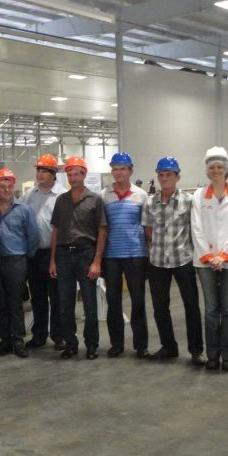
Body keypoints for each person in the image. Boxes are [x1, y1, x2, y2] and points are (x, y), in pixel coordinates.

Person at [142, 157, 205, 366]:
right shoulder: (150, 202)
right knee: (160, 307)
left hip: (183, 260)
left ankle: (196, 350)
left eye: (169, 174)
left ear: (177, 177)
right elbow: (148, 232)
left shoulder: (189, 201)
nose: (164, 178)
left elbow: (195, 229)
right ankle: (168, 347)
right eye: (161, 175)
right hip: (157, 261)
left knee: (191, 306)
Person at [191, 147, 228, 372]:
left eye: (219, 167)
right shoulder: (198, 196)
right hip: (204, 261)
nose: (216, 171)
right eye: (212, 167)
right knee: (211, 309)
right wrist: (208, 255)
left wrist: (224, 255)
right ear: (207, 171)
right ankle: (212, 355)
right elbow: (196, 227)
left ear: (226, 170)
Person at [49, 156, 107, 359]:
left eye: (77, 174)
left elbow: (102, 231)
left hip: (86, 254)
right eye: (70, 174)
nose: (73, 178)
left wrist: (97, 261)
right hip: (64, 256)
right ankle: (70, 344)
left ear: (84, 174)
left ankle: (91, 345)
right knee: (65, 304)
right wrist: (53, 260)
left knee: (90, 304)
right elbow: (55, 231)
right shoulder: (61, 200)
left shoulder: (95, 200)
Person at [101, 152, 150, 359]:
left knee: (138, 301)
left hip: (136, 255)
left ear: (130, 171)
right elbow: (102, 227)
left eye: (122, 169)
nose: (118, 172)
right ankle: (117, 344)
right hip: (111, 256)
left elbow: (147, 227)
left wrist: (149, 253)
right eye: (115, 169)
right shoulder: (104, 196)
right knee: (113, 301)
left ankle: (141, 345)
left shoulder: (141, 195)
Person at [0, 168, 39, 359]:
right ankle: (5, 340)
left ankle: (18, 339)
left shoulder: (24, 210)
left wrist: (25, 258)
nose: (6, 190)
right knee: (1, 303)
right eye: (2, 186)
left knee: (16, 303)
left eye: (9, 186)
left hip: (16, 262)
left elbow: (33, 237)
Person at [21, 154, 67, 351]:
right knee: (38, 297)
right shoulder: (28, 196)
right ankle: (39, 335)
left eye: (44, 171)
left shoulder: (62, 196)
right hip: (34, 254)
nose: (39, 174)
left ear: (53, 174)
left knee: (57, 297)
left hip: (56, 254)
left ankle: (59, 335)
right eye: (38, 170)